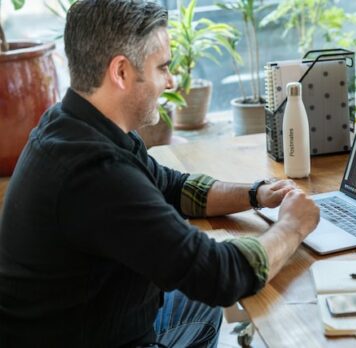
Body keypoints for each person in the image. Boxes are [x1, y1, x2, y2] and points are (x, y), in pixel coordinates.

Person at [0, 1, 320, 347]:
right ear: (120, 72)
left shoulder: (72, 123)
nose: (170, 81)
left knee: (201, 306)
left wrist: (256, 193)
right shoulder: (97, 174)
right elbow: (219, 276)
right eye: (162, 68)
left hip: (85, 318)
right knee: (213, 293)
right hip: (89, 337)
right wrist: (293, 225)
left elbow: (172, 185)